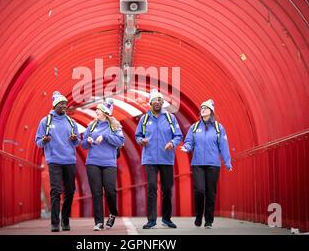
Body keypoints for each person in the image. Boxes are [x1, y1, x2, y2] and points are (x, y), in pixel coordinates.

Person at [135, 89, 183, 229]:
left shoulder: (170, 118)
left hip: (166, 158)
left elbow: (178, 136)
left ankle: (167, 218)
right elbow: (137, 135)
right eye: (155, 100)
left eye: (160, 100)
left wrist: (172, 144)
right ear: (150, 103)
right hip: (149, 159)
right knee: (151, 187)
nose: (157, 102)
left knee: (167, 189)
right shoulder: (144, 119)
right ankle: (151, 220)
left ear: (163, 103)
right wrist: (141, 140)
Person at [181, 99, 232, 229]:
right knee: (199, 190)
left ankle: (208, 220)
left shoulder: (218, 128)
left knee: (211, 193)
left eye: (206, 108)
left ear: (211, 111)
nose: (202, 109)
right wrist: (186, 147)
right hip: (197, 163)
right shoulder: (194, 127)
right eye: (201, 108)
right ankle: (199, 215)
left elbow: (224, 146)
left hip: (213, 164)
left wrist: (227, 162)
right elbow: (189, 141)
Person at [35, 91, 80, 232]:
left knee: (70, 191)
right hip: (54, 160)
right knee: (55, 191)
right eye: (62, 104)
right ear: (55, 105)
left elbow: (78, 141)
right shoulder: (45, 122)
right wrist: (44, 140)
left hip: (69, 160)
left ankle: (65, 219)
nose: (65, 106)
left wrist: (75, 140)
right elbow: (37, 142)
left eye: (66, 104)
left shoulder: (71, 123)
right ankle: (55, 223)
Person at [81, 98, 125, 231]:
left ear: (105, 112)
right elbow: (83, 145)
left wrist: (105, 137)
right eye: (96, 110)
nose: (96, 111)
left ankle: (112, 213)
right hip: (92, 162)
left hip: (109, 163)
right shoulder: (91, 126)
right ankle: (98, 222)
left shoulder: (114, 127)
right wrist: (88, 141)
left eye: (98, 110)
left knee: (110, 191)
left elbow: (120, 141)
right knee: (96, 192)